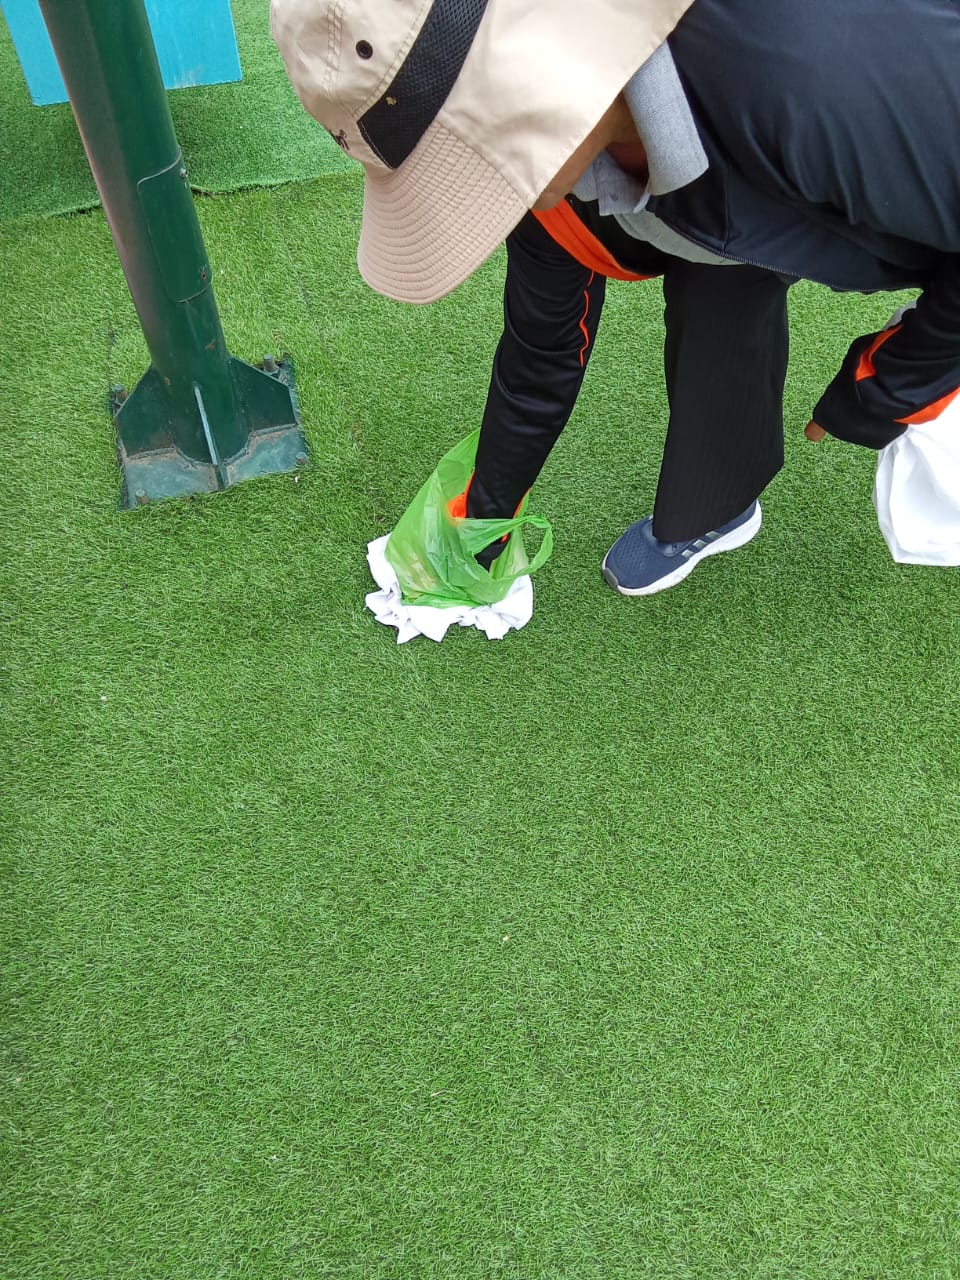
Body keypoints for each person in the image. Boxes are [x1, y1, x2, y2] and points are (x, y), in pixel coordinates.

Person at [270, 0, 960, 594]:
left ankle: (717, 501)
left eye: (471, 160)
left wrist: (890, 383)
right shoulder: (549, 170)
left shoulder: (812, 85)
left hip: (850, 124)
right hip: (741, 181)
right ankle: (716, 504)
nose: (480, 201)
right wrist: (485, 515)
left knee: (725, 293)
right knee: (719, 266)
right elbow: (543, 343)